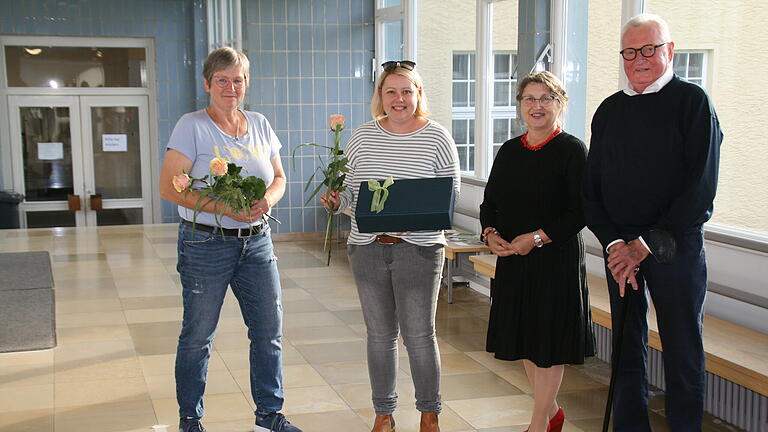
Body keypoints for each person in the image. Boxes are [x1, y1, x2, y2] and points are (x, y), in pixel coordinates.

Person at [583, 13, 722, 431]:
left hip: (673, 250)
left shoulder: (693, 103)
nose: (640, 59)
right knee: (626, 352)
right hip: (621, 253)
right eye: (630, 52)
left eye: (650, 49)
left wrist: (643, 243)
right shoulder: (609, 111)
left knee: (682, 354)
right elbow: (591, 192)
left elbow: (700, 190)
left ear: (670, 51)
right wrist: (614, 245)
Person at [159, 47, 302, 432]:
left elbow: (279, 178)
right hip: (205, 243)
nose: (231, 87)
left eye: (238, 80)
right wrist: (225, 210)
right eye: (222, 80)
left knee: (269, 332)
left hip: (257, 242)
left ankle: (269, 417)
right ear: (207, 83)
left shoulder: (259, 123)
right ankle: (190, 420)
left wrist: (266, 201)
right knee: (198, 335)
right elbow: (170, 188)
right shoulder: (191, 126)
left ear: (246, 84)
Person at [321, 60, 460, 432]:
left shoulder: (437, 137)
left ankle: (429, 414)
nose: (399, 99)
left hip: (419, 251)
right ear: (380, 96)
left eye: (406, 91)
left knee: (418, 335)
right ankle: (384, 415)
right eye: (391, 91)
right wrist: (336, 201)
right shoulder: (362, 137)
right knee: (379, 336)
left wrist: (414, 218)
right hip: (368, 249)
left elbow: (450, 194)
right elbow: (350, 192)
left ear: (418, 95)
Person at [480, 71, 595, 432]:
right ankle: (553, 412)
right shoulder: (510, 150)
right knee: (527, 342)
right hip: (515, 260)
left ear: (560, 103)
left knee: (547, 345)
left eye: (546, 98)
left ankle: (537, 425)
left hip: (554, 259)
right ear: (520, 106)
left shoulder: (573, 150)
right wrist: (489, 234)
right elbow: (490, 202)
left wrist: (539, 237)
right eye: (529, 99)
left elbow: (581, 211)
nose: (537, 106)